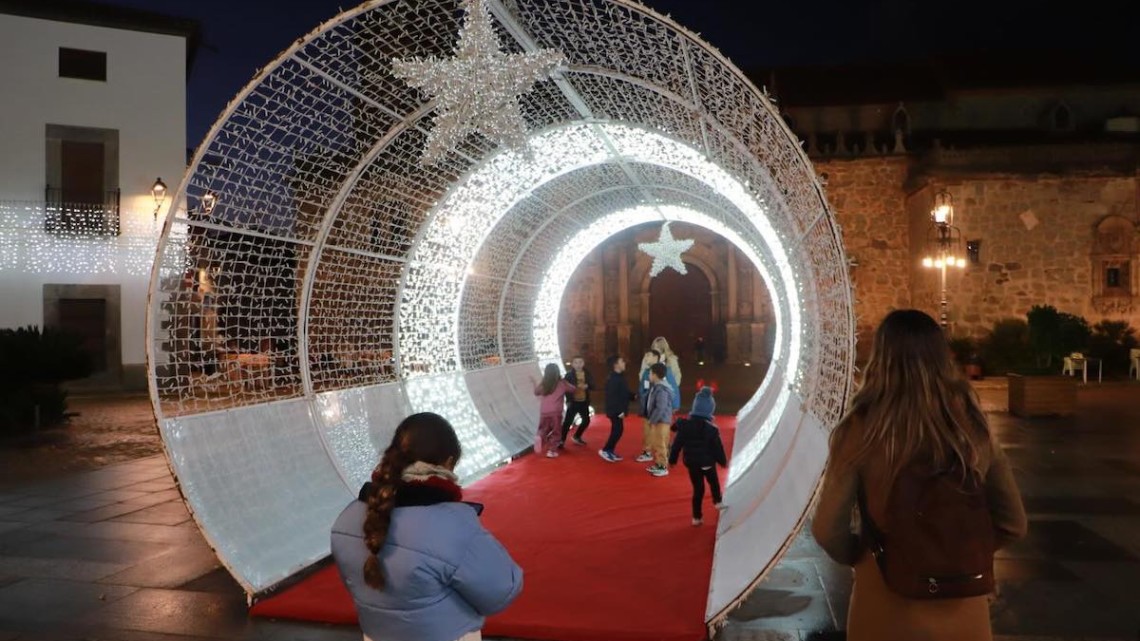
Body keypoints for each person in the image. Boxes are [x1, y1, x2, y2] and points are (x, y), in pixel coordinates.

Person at [811, 310, 1027, 641]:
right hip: (964, 612)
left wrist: (861, 556)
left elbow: (827, 529)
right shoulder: (973, 426)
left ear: (881, 358)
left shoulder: (859, 429)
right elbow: (1014, 524)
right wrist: (958, 549)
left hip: (883, 605)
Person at [330, 413, 523, 641]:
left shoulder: (346, 519)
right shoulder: (452, 524)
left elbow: (358, 584)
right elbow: (500, 590)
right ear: (448, 463)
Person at [669, 386, 728, 525]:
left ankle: (696, 517)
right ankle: (717, 501)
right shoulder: (711, 429)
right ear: (710, 410)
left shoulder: (684, 426)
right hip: (707, 462)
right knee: (713, 482)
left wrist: (672, 459)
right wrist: (722, 461)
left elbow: (676, 444)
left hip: (692, 463)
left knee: (698, 489)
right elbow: (717, 448)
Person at [636, 349, 679, 463]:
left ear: (656, 357)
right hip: (648, 407)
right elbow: (643, 388)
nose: (646, 358)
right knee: (648, 431)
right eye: (645, 355)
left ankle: (663, 456)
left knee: (661, 433)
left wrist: (674, 405)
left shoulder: (663, 371)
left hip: (660, 408)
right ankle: (648, 451)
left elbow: (672, 388)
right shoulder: (646, 372)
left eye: (648, 355)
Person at [534, 363, 576, 458]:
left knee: (543, 428)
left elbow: (536, 392)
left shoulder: (544, 384)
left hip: (544, 411)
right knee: (556, 431)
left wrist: (537, 383)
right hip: (556, 412)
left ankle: (539, 436)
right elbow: (573, 389)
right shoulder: (562, 383)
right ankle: (551, 451)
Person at [600, 354, 635, 463]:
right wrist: (620, 410)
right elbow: (612, 397)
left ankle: (610, 450)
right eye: (622, 361)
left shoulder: (619, 377)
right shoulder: (613, 379)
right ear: (616, 365)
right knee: (617, 431)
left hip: (617, 410)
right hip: (615, 410)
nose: (624, 363)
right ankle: (606, 450)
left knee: (618, 430)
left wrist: (633, 396)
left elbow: (623, 392)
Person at [643, 362, 674, 477]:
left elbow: (660, 407)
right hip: (660, 420)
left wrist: (653, 420)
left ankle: (662, 466)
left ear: (655, 375)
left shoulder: (661, 389)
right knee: (658, 442)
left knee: (660, 443)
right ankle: (658, 463)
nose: (649, 376)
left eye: (650, 373)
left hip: (661, 420)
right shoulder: (658, 387)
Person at [560, 356, 595, 447]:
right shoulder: (569, 375)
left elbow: (593, 385)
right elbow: (565, 388)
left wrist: (587, 386)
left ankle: (577, 436)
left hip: (584, 401)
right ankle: (561, 440)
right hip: (573, 401)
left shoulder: (587, 373)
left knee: (586, 421)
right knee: (568, 422)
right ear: (572, 364)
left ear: (583, 363)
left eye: (580, 362)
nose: (578, 364)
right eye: (576, 362)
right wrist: (568, 400)